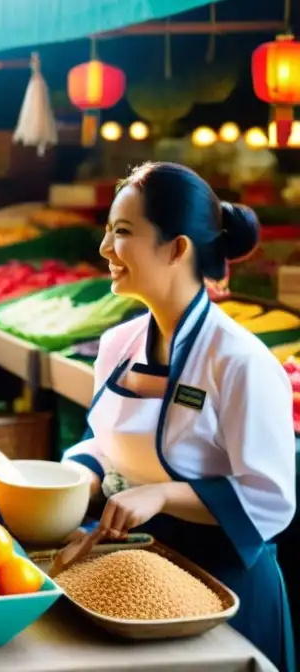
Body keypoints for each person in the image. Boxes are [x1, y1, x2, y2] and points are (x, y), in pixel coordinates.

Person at [63, 162, 295, 672]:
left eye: (121, 233)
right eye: (107, 232)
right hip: (140, 569)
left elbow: (271, 496)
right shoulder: (117, 345)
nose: (105, 249)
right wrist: (79, 474)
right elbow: (103, 439)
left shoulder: (241, 362)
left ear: (178, 248)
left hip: (225, 587)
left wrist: (162, 494)